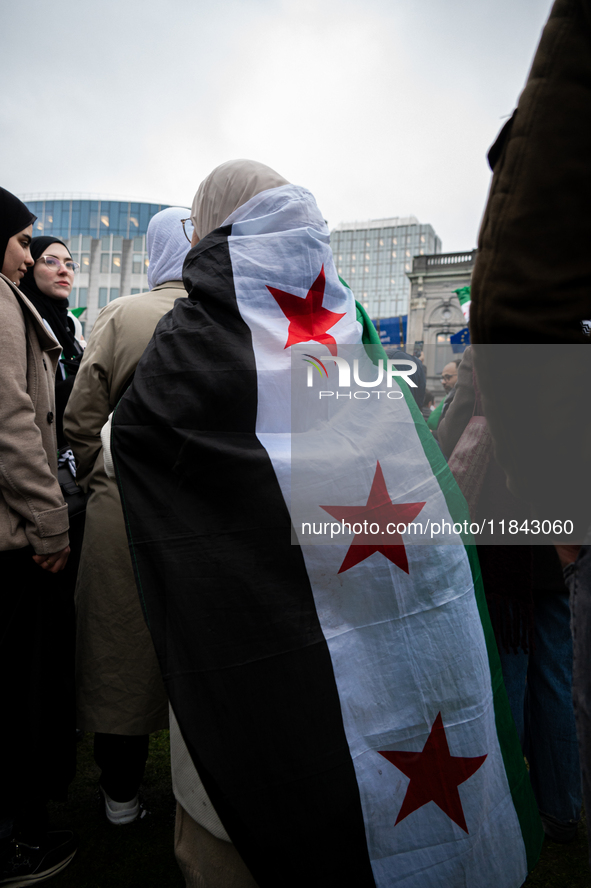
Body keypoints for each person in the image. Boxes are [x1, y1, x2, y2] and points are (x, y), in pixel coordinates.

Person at [109, 160, 542, 888]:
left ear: (210, 224)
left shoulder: (190, 339)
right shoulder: (352, 325)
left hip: (240, 625)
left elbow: (137, 445)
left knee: (237, 827)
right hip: (364, 587)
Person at [468, 0, 591, 858]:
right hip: (536, 548)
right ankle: (556, 806)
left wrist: (562, 504)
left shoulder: (491, 386)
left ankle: (532, 805)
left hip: (528, 545)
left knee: (527, 672)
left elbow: (514, 304)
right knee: (544, 668)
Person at [62, 206, 192, 825]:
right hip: (211, 509)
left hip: (126, 506)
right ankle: (210, 804)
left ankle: (120, 800)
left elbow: (81, 419)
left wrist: (99, 478)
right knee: (209, 649)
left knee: (120, 649)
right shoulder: (242, 317)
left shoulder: (124, 314)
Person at [437, 346, 582, 843]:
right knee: (558, 676)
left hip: (506, 542)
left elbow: (452, 436)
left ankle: (511, 809)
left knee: (508, 679)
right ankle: (562, 806)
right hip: (565, 538)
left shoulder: (490, 351)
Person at [0, 188, 77, 884]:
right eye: (24, 242)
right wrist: (51, 524)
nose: (28, 255)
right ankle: (12, 844)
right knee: (12, 695)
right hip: (13, 536)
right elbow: (13, 424)